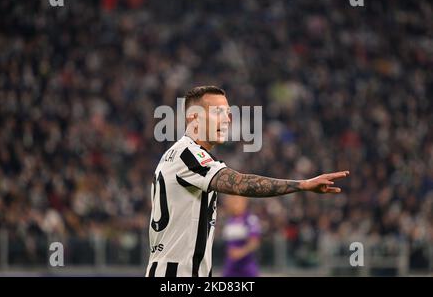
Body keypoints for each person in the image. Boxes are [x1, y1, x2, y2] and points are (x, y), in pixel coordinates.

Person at [145, 85, 349, 277]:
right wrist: (302, 185)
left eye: (228, 113)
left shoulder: (177, 155)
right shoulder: (187, 155)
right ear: (194, 119)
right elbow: (240, 183)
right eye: (217, 112)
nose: (226, 120)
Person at [222, 196, 261, 277]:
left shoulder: (250, 219)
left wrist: (241, 252)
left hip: (246, 267)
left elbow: (254, 242)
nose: (234, 204)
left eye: (237, 202)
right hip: (231, 266)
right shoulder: (229, 220)